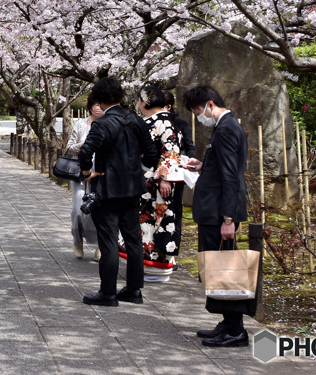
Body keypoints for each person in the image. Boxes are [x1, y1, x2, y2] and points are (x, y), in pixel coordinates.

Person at [78, 77, 160, 307]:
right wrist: (139, 171)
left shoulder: (103, 124)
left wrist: (87, 172)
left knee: (109, 241)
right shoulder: (136, 120)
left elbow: (86, 152)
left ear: (100, 99)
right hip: (133, 189)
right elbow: (152, 154)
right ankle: (134, 289)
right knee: (133, 239)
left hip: (108, 188)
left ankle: (108, 292)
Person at [182, 85, 253, 348]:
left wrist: (227, 219)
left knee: (225, 269)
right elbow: (223, 168)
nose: (198, 115)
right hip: (215, 210)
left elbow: (231, 177)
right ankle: (228, 322)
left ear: (210, 104)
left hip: (218, 212)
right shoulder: (225, 127)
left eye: (197, 110)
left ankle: (235, 328)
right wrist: (204, 165)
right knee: (219, 267)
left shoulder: (225, 129)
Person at [133, 84, 186, 283]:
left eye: (140, 100)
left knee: (158, 221)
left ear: (146, 102)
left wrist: (165, 177)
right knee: (149, 221)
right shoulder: (156, 121)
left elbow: (171, 151)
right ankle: (151, 265)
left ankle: (159, 268)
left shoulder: (162, 122)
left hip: (157, 181)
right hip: (150, 179)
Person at [66, 95, 102, 260]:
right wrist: (83, 146)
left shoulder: (108, 124)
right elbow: (69, 148)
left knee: (101, 210)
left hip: (101, 174)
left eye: (100, 104)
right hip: (81, 174)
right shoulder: (81, 124)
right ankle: (77, 240)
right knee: (78, 209)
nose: (98, 107)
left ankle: (100, 245)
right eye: (95, 104)